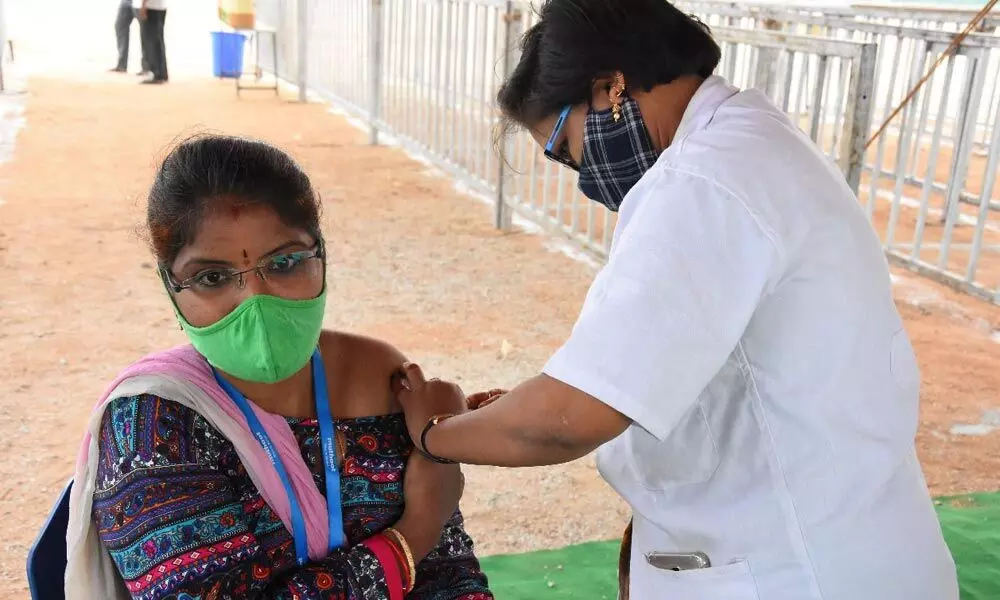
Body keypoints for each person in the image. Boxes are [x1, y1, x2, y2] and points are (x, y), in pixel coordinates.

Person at [393, 1, 960, 599]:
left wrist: (434, 431)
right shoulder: (749, 138)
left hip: (795, 572)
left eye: (564, 146)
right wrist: (513, 412)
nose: (579, 173)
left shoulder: (701, 183)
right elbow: (699, 369)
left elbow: (568, 420)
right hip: (849, 542)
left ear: (610, 88)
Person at [64, 135, 493, 599]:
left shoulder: (379, 374)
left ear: (321, 254)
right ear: (172, 287)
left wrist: (441, 436)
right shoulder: (150, 425)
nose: (256, 300)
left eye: (285, 262)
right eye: (212, 277)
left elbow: (451, 575)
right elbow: (431, 524)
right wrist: (414, 533)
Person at [110, 0, 149, 75]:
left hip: (141, 2)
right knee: (120, 25)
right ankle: (122, 65)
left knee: (145, 32)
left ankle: (146, 67)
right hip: (126, 2)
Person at [134, 0, 167, 84]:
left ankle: (157, 74)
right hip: (160, 7)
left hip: (151, 7)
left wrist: (143, 6)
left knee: (151, 42)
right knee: (158, 42)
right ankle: (162, 74)